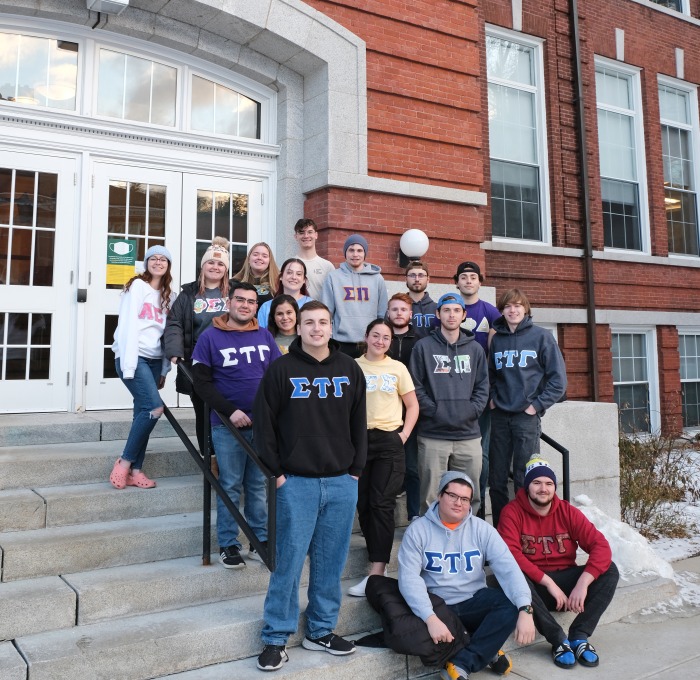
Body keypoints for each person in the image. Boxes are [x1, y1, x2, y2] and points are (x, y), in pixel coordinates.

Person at [252, 301, 367, 672]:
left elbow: (359, 422)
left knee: (330, 563)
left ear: (332, 327)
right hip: (295, 483)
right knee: (286, 562)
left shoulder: (350, 369)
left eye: (323, 322)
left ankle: (320, 630)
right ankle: (275, 637)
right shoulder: (280, 369)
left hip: (340, 482)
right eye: (309, 323)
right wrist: (278, 474)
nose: (316, 328)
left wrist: (355, 471)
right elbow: (264, 427)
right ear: (297, 328)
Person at [398, 470, 536, 680]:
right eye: (453, 495)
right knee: (420, 624)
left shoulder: (482, 529)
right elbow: (409, 580)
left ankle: (462, 661)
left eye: (464, 499)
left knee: (510, 606)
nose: (458, 503)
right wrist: (430, 617)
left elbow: (508, 568)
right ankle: (485, 648)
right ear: (440, 496)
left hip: (474, 600)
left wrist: (525, 608)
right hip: (439, 605)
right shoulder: (418, 531)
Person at [191, 281, 282, 569]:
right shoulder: (210, 337)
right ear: (229, 302)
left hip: (262, 425)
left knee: (257, 485)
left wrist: (270, 414)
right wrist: (230, 412)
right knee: (229, 484)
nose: (245, 305)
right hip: (227, 425)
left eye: (250, 302)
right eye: (240, 300)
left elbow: (276, 378)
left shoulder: (264, 336)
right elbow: (201, 383)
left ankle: (259, 539)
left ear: (257, 306)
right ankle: (228, 543)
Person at [498, 458, 619, 669]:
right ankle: (558, 640)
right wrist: (548, 583)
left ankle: (579, 636)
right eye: (537, 483)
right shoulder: (512, 512)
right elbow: (510, 555)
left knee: (609, 569)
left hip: (567, 583)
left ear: (554, 487)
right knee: (514, 575)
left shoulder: (568, 512)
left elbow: (601, 546)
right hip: (536, 588)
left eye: (549, 483)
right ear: (527, 486)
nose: (543, 489)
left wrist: (582, 583)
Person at [348, 319, 419, 597]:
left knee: (381, 503)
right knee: (363, 503)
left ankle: (376, 571)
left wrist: (403, 435)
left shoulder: (398, 368)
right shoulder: (352, 366)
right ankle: (377, 557)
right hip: (359, 442)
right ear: (366, 336)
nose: (380, 341)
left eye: (386, 337)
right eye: (375, 335)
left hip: (389, 441)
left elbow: (412, 405)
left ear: (391, 341)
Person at [488, 289, 567, 529]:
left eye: (518, 306)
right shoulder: (497, 339)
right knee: (497, 479)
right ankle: (504, 533)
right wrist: (492, 400)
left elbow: (558, 382)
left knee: (525, 478)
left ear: (526, 309)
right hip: (500, 417)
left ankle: (527, 531)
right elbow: (490, 376)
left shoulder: (541, 337)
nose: (513, 310)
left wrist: (535, 407)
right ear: (501, 310)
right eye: (508, 306)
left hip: (526, 418)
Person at [409, 293, 489, 516]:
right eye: (446, 310)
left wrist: (471, 410)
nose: (451, 315)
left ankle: (466, 540)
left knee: (469, 495)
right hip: (433, 434)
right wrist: (434, 411)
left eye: (456, 310)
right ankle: (432, 541)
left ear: (464, 315)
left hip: (468, 435)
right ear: (438, 313)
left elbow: (483, 386)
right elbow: (415, 385)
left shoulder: (475, 350)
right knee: (430, 496)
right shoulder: (423, 347)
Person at [110, 245, 176, 490]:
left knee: (142, 413)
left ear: (168, 265)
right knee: (154, 407)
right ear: (147, 262)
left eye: (163, 259)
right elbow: (127, 327)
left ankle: (137, 471)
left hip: (154, 361)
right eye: (153, 258)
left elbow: (169, 335)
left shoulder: (170, 295)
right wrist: (129, 366)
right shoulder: (137, 286)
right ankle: (124, 462)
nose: (158, 262)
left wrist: (164, 370)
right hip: (133, 357)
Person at [163, 236, 231, 455]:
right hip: (198, 362)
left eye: (221, 263)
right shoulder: (188, 294)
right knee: (203, 410)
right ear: (203, 265)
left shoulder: (234, 292)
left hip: (229, 361)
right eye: (211, 262)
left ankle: (228, 457)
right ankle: (209, 458)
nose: (215, 266)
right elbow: (174, 323)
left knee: (227, 409)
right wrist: (175, 352)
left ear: (226, 269)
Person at [454, 261, 501, 520]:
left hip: (481, 391)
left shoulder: (490, 312)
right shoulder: (450, 308)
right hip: (453, 389)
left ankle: (478, 506)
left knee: (480, 450)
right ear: (457, 282)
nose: (468, 281)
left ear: (480, 282)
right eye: (464, 277)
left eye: (473, 277)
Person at [321, 234, 388, 357]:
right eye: (351, 250)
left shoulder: (377, 279)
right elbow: (327, 312)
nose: (355, 254)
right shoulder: (333, 277)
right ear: (345, 253)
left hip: (369, 342)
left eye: (359, 250)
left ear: (365, 253)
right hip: (340, 341)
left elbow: (381, 313)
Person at [386, 292, 420, 520]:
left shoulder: (421, 341)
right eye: (395, 309)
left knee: (413, 465)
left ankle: (414, 514)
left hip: (412, 408)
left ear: (411, 314)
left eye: (403, 309)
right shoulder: (382, 338)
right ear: (388, 312)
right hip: (386, 409)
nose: (399, 313)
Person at [257, 258, 313, 330]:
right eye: (289, 272)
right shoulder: (266, 307)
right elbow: (261, 337)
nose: (294, 277)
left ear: (304, 280)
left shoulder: (312, 305)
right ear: (281, 277)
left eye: (298, 274)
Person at [293, 218, 334, 299]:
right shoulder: (288, 265)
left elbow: (333, 296)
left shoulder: (327, 267)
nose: (306, 236)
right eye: (301, 232)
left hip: (320, 311)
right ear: (296, 236)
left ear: (316, 235)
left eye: (310, 232)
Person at [233, 242, 279, 309]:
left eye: (264, 256)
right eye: (255, 254)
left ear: (269, 261)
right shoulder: (234, 283)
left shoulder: (278, 284)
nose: (259, 258)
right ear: (249, 259)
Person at [405, 260, 438, 339]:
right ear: (406, 279)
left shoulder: (437, 309)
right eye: (412, 275)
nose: (417, 279)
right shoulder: (397, 308)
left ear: (428, 279)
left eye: (421, 275)